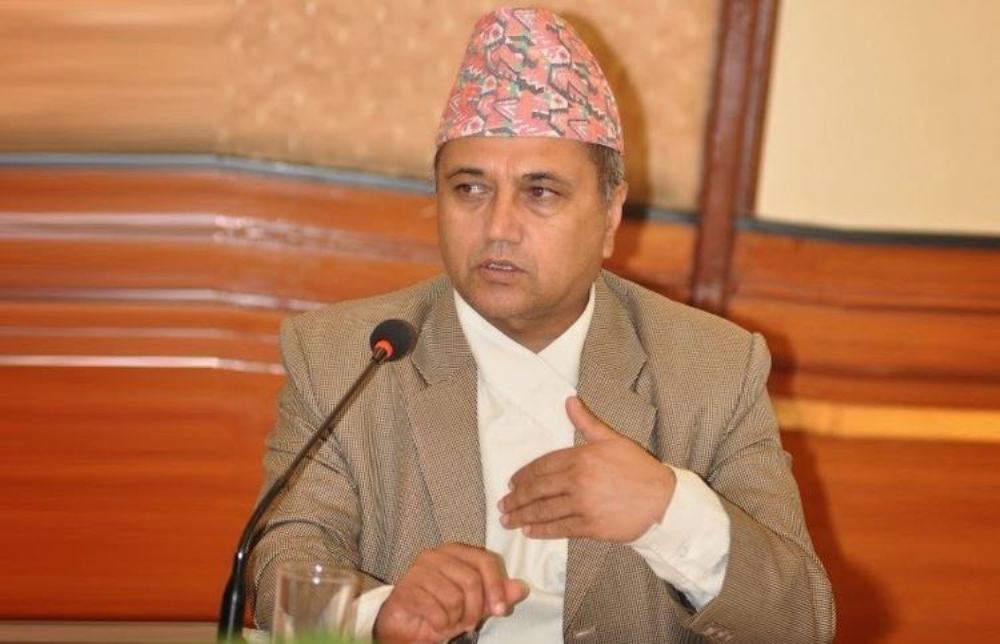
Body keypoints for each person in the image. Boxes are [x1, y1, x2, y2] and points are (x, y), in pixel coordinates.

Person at [249, 7, 834, 643]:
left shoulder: (713, 367)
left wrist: (667, 510)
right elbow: (280, 570)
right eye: (469, 189)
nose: (498, 228)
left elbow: (802, 622)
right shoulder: (348, 355)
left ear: (611, 214)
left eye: (541, 193)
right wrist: (377, 615)